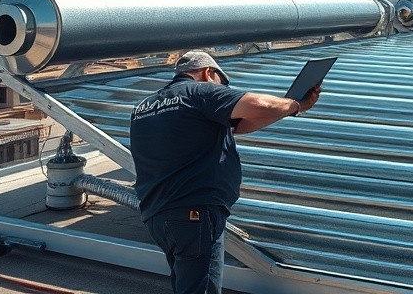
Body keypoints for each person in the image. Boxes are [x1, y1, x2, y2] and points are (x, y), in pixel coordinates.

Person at [130, 50, 321, 294]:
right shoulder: (200, 91)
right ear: (209, 73)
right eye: (224, 84)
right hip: (194, 213)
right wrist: (297, 105)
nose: (225, 89)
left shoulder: (145, 106)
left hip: (159, 216)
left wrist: (284, 109)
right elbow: (259, 104)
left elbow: (244, 122)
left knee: (187, 287)